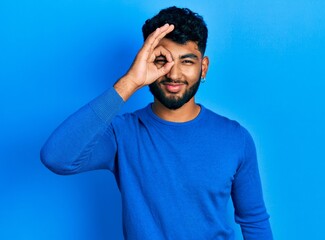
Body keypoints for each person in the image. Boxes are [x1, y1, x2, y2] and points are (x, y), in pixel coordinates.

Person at [40, 6, 273, 240]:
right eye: (163, 60)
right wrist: (130, 81)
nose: (173, 74)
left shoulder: (235, 138)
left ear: (203, 67)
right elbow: (57, 157)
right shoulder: (123, 134)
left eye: (187, 61)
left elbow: (254, 220)